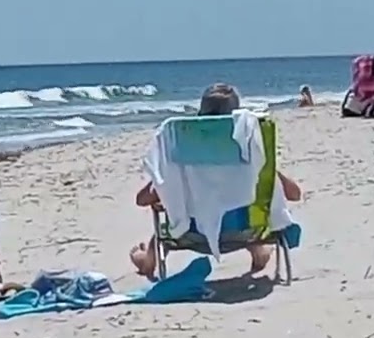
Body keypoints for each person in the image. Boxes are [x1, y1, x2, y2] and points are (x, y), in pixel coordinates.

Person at [128, 84, 303, 279]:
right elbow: (295, 194)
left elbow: (141, 199)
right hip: (247, 233)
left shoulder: (182, 160)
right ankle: (259, 253)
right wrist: (270, 171)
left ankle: (147, 261)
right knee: (240, 203)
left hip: (192, 235)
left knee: (167, 227)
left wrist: (168, 196)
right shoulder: (252, 160)